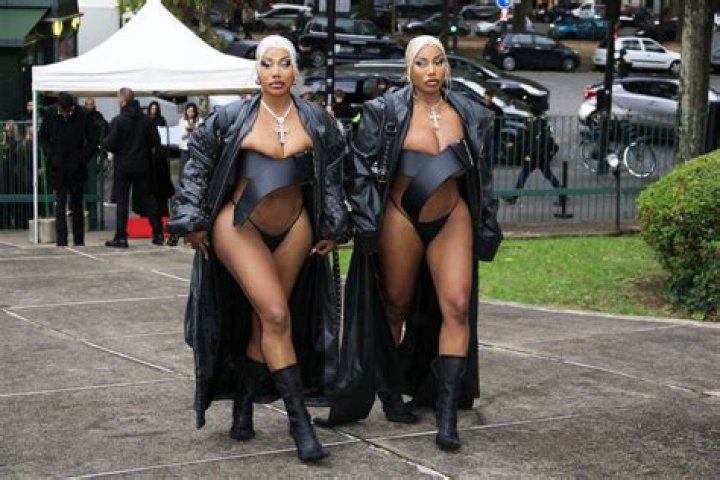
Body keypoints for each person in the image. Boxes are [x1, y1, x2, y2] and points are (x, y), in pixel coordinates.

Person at [166, 35, 348, 463]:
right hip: (240, 225)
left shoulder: (316, 120)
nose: (276, 72)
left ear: (296, 70)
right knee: (276, 314)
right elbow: (198, 167)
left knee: (265, 320)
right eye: (267, 64)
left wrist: (332, 224)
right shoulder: (230, 118)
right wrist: (192, 219)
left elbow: (333, 174)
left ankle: (244, 403)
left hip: (295, 228)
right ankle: (300, 424)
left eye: (284, 63)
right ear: (257, 71)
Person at [320, 36, 503, 452]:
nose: (432, 70)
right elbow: (358, 168)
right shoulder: (385, 111)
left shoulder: (469, 112)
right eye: (422, 62)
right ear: (409, 68)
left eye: (439, 61)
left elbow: (482, 176)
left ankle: (446, 414)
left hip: (451, 214)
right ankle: (389, 393)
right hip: (400, 216)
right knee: (395, 306)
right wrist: (364, 218)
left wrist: (487, 219)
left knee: (456, 306)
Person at [104, 88, 164, 248]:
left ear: (123, 100)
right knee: (148, 198)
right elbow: (156, 142)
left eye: (118, 97)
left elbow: (109, 144)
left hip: (123, 165)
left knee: (122, 201)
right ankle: (158, 232)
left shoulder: (118, 121)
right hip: (142, 164)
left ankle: (121, 236)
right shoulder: (146, 120)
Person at [39, 92, 99, 246]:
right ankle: (61, 240)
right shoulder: (51, 113)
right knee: (60, 203)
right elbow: (43, 137)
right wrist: (51, 154)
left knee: (77, 204)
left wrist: (82, 157)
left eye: (68, 111)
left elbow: (93, 139)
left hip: (76, 166)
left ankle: (79, 240)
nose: (66, 114)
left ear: (72, 107)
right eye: (63, 111)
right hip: (58, 165)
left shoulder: (83, 115)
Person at [504, 105, 561, 205]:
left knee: (525, 175)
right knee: (545, 175)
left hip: (537, 156)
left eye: (529, 112)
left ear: (532, 113)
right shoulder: (533, 123)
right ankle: (562, 194)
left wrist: (530, 155)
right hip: (537, 156)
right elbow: (525, 139)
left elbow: (536, 143)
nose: (528, 114)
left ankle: (514, 197)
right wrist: (514, 144)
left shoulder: (537, 126)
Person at [177, 103, 203, 186]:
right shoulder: (182, 121)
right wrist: (187, 130)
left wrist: (194, 129)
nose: (191, 113)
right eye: (189, 111)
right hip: (185, 148)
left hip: (195, 148)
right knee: (183, 167)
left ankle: (194, 184)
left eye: (192, 111)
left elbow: (201, 134)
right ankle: (182, 185)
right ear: (186, 112)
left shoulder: (199, 121)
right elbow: (181, 136)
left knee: (195, 167)